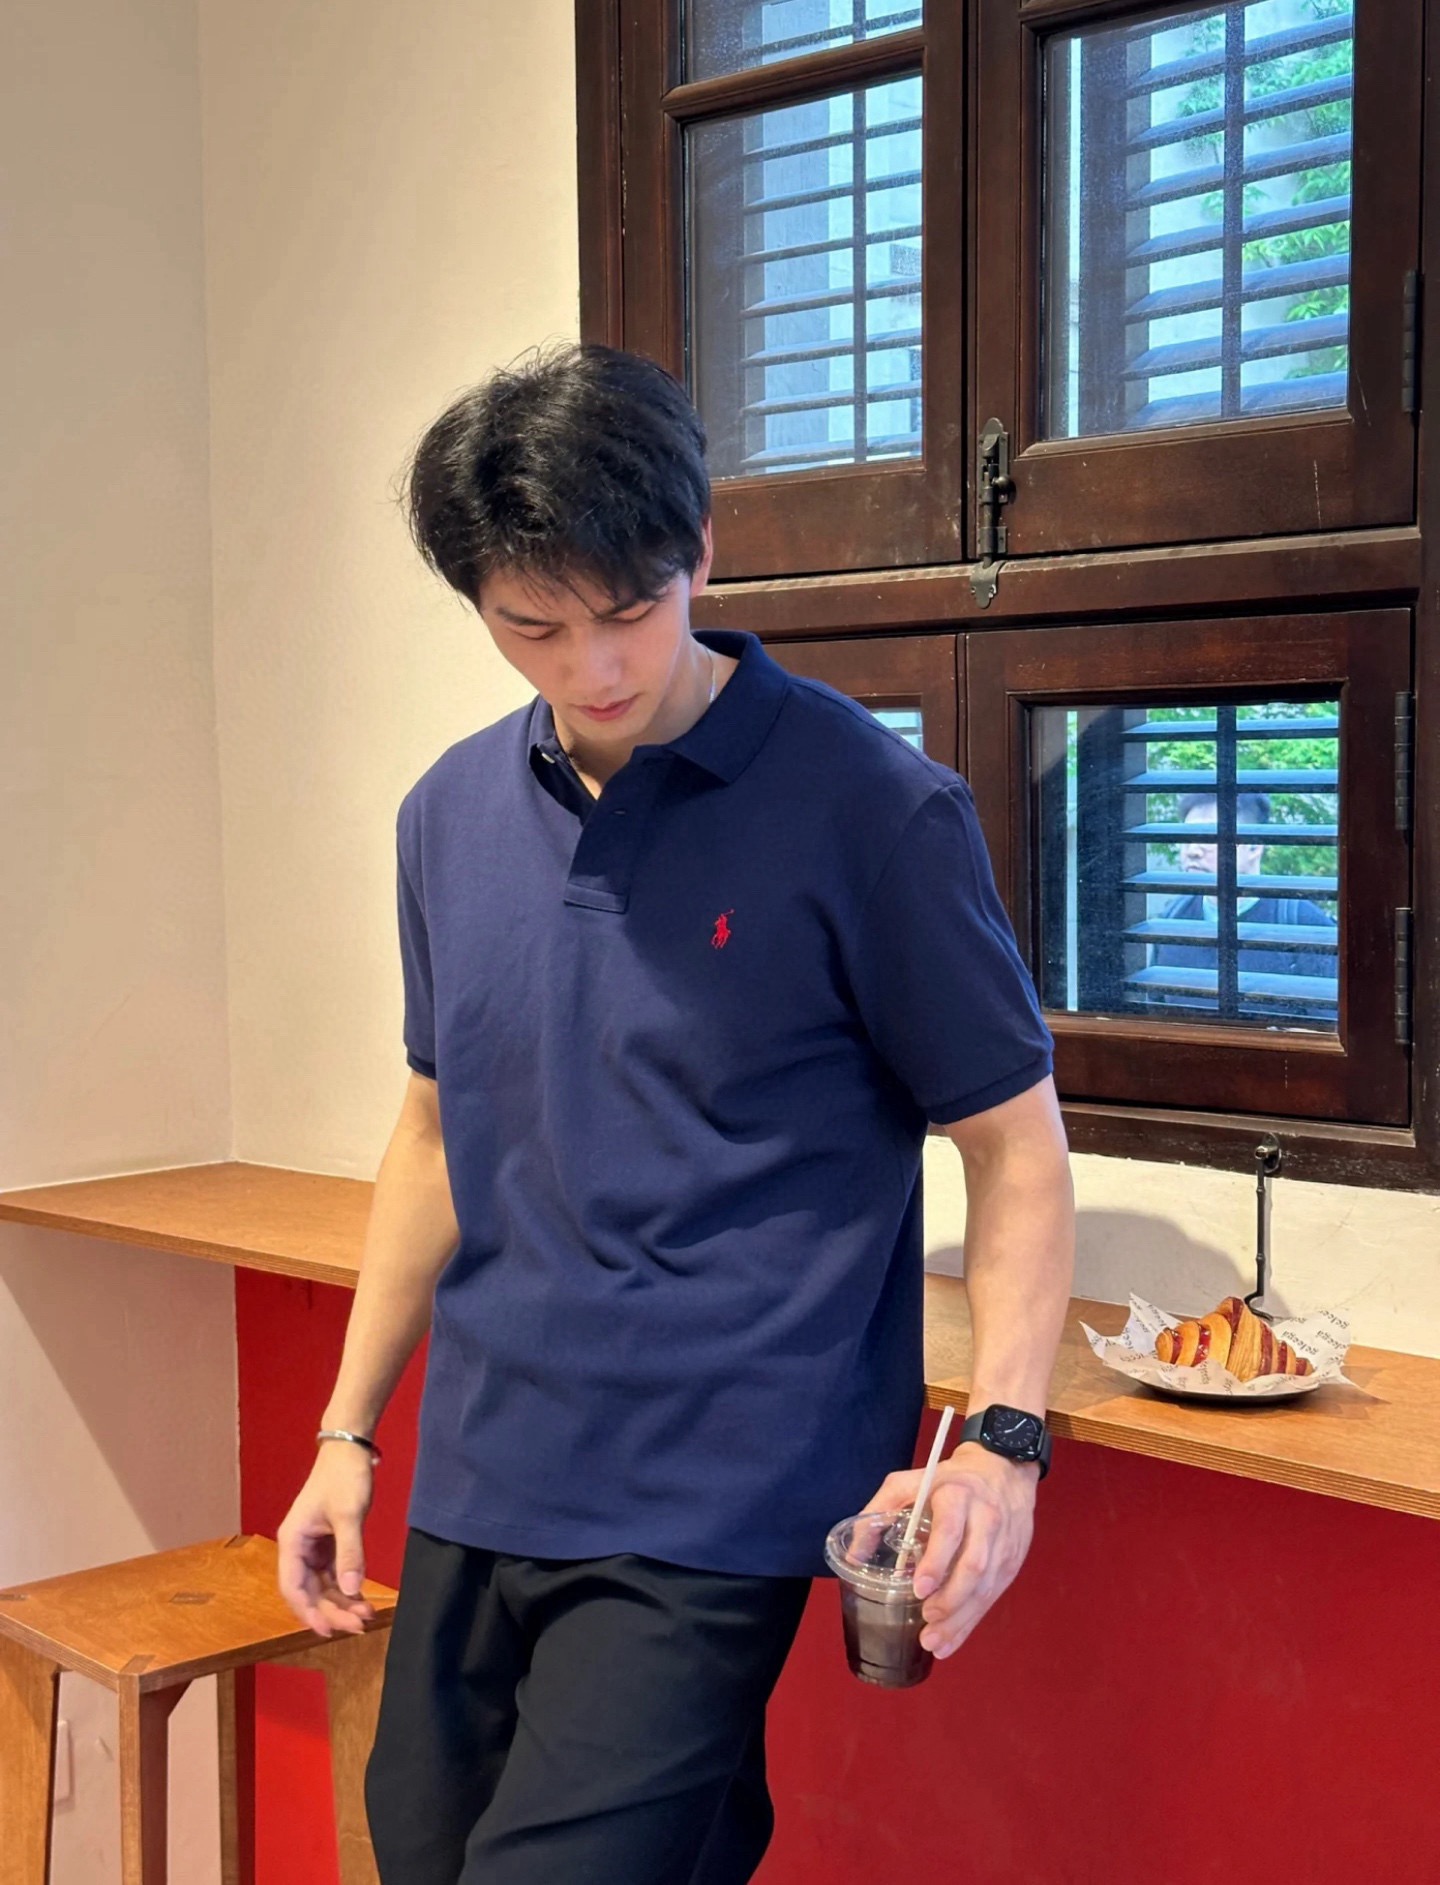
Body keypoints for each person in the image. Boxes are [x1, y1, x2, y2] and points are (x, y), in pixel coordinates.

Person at [275, 343, 1075, 1885]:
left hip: (720, 1479)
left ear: (700, 548)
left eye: (632, 608)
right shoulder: (447, 815)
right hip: (489, 1457)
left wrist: (1004, 1440)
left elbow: (1013, 1146)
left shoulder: (873, 808)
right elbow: (435, 1136)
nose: (595, 667)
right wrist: (344, 1432)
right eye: (535, 626)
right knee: (421, 1854)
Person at [1148, 790, 1337, 1019]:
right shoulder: (1172, 919)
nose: (1193, 851)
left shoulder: (1300, 923)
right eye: (1186, 837)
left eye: (1209, 838)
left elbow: (1327, 1025)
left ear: (1254, 846)